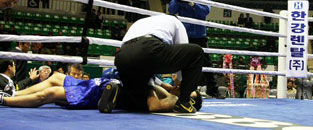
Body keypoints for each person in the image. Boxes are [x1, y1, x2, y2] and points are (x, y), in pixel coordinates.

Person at [109, 15, 204, 113]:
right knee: (196, 52)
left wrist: (164, 85)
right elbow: (185, 55)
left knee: (139, 102)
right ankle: (184, 102)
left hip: (122, 57)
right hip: (148, 50)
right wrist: (179, 83)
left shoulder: (145, 21)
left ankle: (118, 94)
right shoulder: (176, 22)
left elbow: (143, 61)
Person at [0, 71, 202, 113]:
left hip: (98, 92)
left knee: (51, 93)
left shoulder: (169, 99)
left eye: (189, 95)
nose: (185, 91)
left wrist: (177, 96)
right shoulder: (166, 89)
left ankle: (4, 101)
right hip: (103, 82)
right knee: (54, 77)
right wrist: (171, 86)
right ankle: (17, 93)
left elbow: (154, 101)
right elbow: (154, 83)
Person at [168, 0, 223, 99]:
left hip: (199, 35)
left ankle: (213, 90)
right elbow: (172, 10)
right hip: (184, 34)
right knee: (181, 63)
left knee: (207, 63)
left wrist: (191, 2)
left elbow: (204, 12)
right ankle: (180, 88)